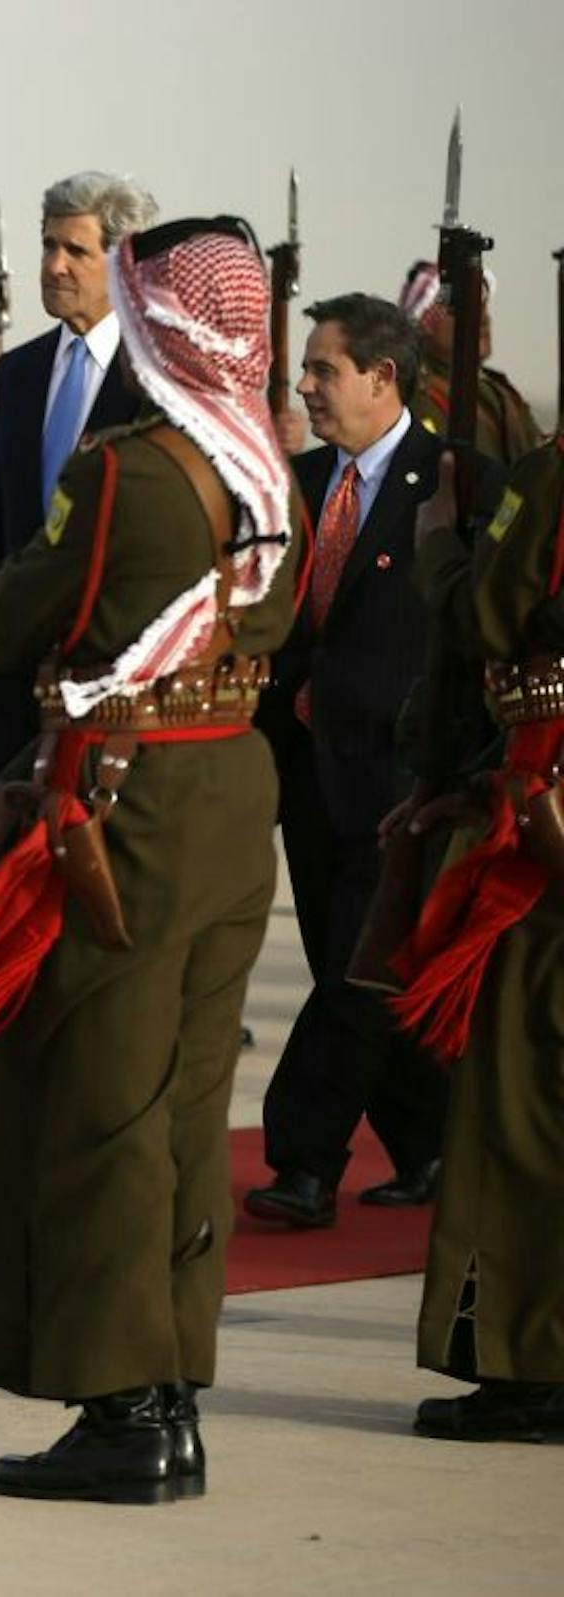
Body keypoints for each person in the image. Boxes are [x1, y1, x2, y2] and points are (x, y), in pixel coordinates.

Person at [0, 216, 303, 1503]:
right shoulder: (267, 463)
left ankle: (123, 1411)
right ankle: (168, 1395)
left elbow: (17, 615)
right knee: (180, 1109)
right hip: (229, 789)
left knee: (103, 1103)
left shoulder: (134, 468)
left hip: (133, 801)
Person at [246, 294, 496, 1228]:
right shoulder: (298, 480)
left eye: (323, 369)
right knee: (345, 963)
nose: (306, 386)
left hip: (400, 775)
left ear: (383, 377)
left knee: (356, 971)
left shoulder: (454, 479)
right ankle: (431, 1141)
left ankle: (304, 1159)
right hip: (305, 768)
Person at [0, 171, 157, 1182]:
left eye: (75, 249)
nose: (54, 266)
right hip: (17, 674)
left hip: (116, 685)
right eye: (48, 246)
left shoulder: (160, 379)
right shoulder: (20, 373)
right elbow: (12, 536)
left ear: (122, 258)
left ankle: (71, 1119)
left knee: (84, 905)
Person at [389, 436, 564, 1442]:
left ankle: (534, 1363)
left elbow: (491, 613)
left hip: (545, 836)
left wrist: (438, 545)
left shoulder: (551, 474)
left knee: (523, 1100)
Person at [401, 261, 541, 469]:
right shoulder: (410, 396)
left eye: (482, 308)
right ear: (425, 323)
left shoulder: (500, 393)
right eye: (460, 310)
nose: (482, 319)